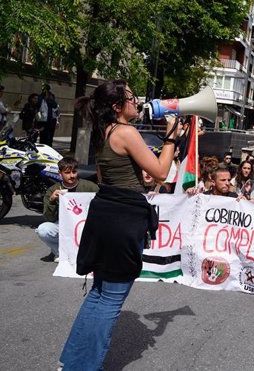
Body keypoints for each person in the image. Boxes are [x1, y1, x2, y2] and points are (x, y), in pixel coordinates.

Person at [60, 80, 179, 370]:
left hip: (106, 216)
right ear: (117, 107)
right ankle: (85, 367)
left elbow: (105, 176)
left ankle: (73, 362)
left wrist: (136, 177)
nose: (136, 102)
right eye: (131, 98)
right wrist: (172, 137)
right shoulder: (126, 132)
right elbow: (162, 171)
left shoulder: (106, 132)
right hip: (123, 222)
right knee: (111, 301)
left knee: (99, 293)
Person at [38, 157, 99, 262]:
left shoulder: (90, 186)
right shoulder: (53, 190)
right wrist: (52, 200)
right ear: (60, 173)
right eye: (67, 172)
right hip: (63, 226)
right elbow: (49, 218)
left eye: (74, 172)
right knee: (43, 229)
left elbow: (102, 204)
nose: (72, 175)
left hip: (86, 225)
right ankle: (59, 252)